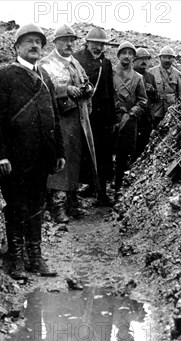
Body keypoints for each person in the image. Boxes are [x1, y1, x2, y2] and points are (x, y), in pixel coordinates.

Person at [0, 23, 65, 279]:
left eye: (39, 42)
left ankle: (35, 257)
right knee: (16, 205)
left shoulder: (45, 77)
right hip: (13, 159)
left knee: (36, 206)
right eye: (29, 41)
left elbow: (54, 117)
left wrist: (59, 152)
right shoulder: (4, 76)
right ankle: (16, 259)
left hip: (40, 157)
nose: (35, 46)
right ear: (17, 47)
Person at [40, 25, 98, 223]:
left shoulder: (75, 62)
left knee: (75, 160)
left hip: (79, 119)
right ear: (55, 42)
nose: (69, 43)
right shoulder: (46, 64)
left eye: (72, 40)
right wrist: (66, 89)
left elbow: (85, 81)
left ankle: (71, 200)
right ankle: (57, 205)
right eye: (64, 40)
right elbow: (44, 89)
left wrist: (87, 88)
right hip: (59, 120)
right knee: (61, 160)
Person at [73, 26, 117, 206]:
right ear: (87, 43)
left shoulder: (105, 64)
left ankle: (102, 193)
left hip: (101, 117)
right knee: (80, 154)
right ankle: (76, 194)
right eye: (94, 44)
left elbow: (108, 91)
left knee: (103, 154)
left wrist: (112, 118)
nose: (97, 48)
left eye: (101, 44)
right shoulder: (76, 60)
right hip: (82, 114)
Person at [112, 41, 147, 197]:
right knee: (106, 153)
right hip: (112, 119)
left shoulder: (138, 77)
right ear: (118, 55)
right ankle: (101, 191)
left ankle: (119, 188)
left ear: (134, 57)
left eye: (130, 54)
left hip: (130, 121)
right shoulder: (110, 73)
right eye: (123, 53)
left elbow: (143, 101)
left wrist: (132, 113)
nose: (127, 56)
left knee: (124, 155)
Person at [148, 45, 181, 127]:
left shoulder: (177, 74)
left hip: (171, 110)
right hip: (155, 110)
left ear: (173, 59)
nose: (167, 60)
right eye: (164, 57)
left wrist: (178, 108)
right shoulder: (151, 72)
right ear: (160, 58)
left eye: (170, 57)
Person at [132, 47, 159, 162]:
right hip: (133, 113)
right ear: (134, 61)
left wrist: (152, 91)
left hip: (146, 116)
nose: (144, 62)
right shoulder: (131, 75)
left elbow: (156, 99)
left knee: (144, 140)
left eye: (146, 59)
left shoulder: (150, 77)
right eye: (141, 59)